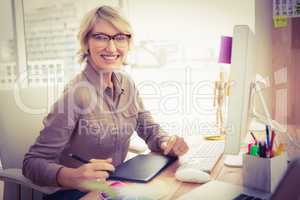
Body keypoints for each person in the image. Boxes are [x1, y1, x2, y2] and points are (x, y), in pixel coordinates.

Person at [22, 5, 189, 200]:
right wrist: (73, 177)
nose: (111, 48)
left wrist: (166, 142)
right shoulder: (76, 94)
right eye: (101, 37)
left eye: (119, 38)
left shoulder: (127, 83)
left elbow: (149, 128)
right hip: (74, 193)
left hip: (115, 185)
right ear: (86, 43)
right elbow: (31, 163)